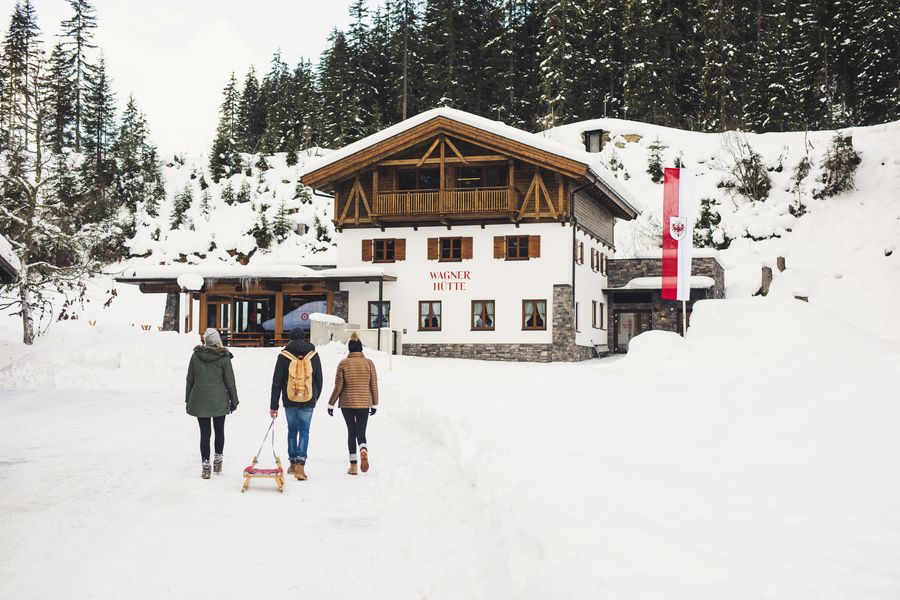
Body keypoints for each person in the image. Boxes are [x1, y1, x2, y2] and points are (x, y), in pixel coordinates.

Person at [270, 328, 323, 480]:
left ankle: (292, 464)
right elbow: (319, 380)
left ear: (290, 339)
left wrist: (274, 405)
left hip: (290, 399)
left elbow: (277, 382)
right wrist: (314, 398)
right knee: (304, 430)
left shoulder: (283, 355)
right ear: (304, 338)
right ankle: (301, 465)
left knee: (292, 430)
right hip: (308, 399)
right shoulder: (313, 355)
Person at [186, 328, 239, 479]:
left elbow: (190, 379)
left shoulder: (196, 356)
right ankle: (218, 461)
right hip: (219, 400)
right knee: (219, 430)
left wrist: (188, 399)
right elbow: (230, 382)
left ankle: (205, 466)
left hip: (199, 399)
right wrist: (234, 401)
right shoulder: (223, 357)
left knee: (205, 433)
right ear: (217, 341)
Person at [327, 332, 379, 475]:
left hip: (347, 404)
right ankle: (363, 449)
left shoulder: (343, 364)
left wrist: (331, 403)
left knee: (351, 432)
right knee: (361, 432)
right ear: (361, 348)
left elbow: (338, 387)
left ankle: (353, 465)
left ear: (349, 349)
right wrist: (374, 404)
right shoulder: (369, 363)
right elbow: (373, 384)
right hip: (364, 403)